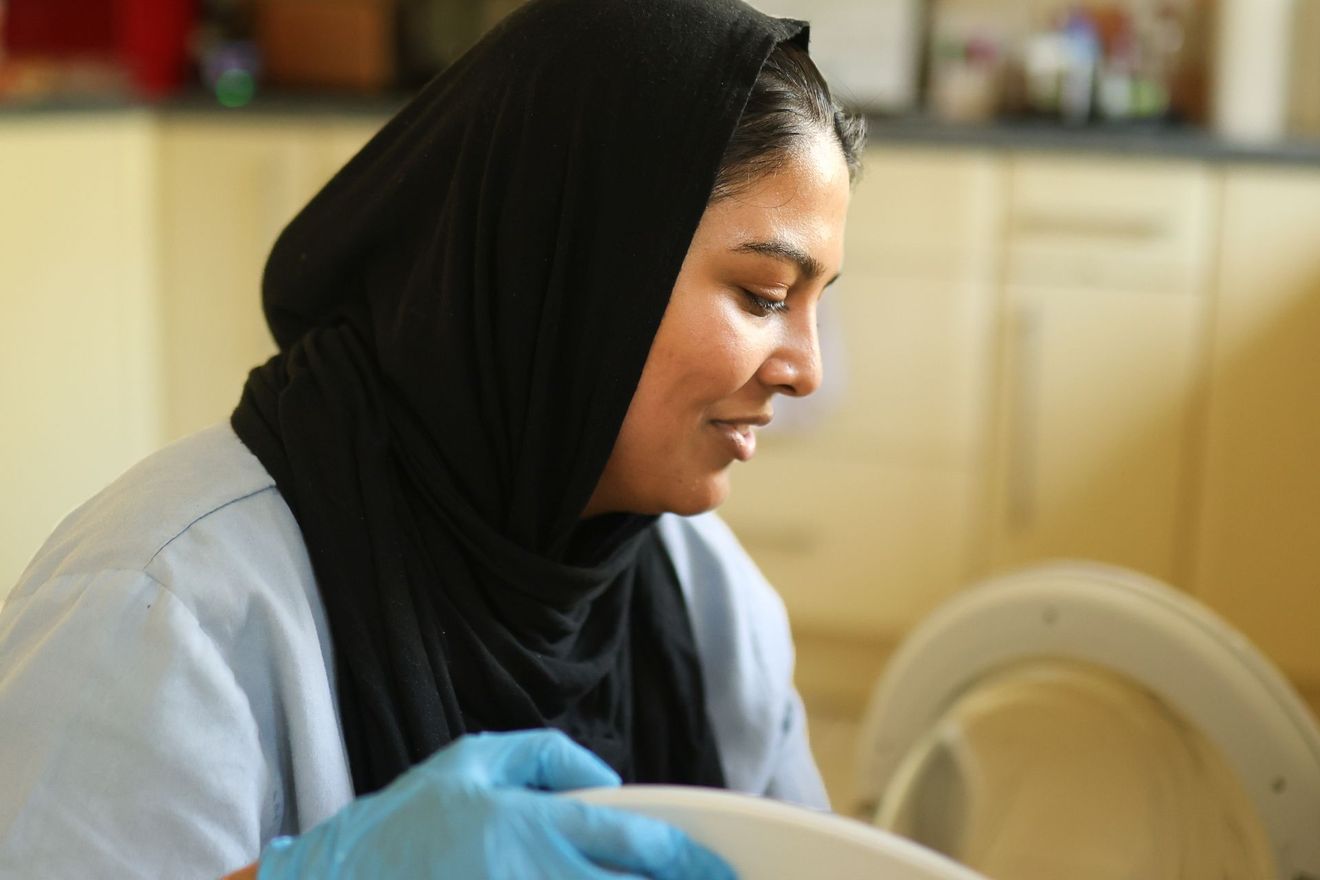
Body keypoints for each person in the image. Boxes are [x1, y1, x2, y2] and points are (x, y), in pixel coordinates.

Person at [0, 0, 864, 876]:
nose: (805, 370)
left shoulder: (708, 595)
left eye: (815, 301)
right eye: (763, 296)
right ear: (574, 263)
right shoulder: (161, 612)